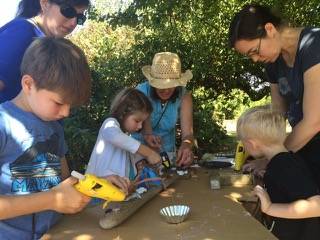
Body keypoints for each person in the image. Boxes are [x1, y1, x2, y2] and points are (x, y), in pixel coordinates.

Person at [0, 37, 92, 239]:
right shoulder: (3, 124)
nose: (66, 112)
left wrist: (95, 185)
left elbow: (64, 182)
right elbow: (57, 196)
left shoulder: (54, 128)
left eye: (71, 105)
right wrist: (52, 199)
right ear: (28, 84)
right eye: (59, 103)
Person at [229, 4, 320, 184]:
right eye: (249, 56)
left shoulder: (314, 45)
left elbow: (314, 122)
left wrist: (272, 158)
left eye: (254, 51)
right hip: (304, 148)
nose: (255, 59)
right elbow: (277, 118)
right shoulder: (273, 63)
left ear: (269, 29)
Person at [237, 105, 320, 240]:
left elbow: (316, 206)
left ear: (252, 144)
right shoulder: (281, 163)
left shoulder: (284, 166)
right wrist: (271, 178)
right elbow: (290, 186)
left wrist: (270, 207)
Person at [0, 0, 90, 103]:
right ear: (45, 3)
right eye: (68, 11)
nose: (73, 23)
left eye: (80, 18)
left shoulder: (46, 43)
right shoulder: (22, 32)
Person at [133, 52, 194, 167]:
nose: (166, 90)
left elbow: (188, 134)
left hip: (167, 153)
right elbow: (144, 130)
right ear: (152, 82)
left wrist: (186, 146)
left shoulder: (184, 96)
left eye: (170, 85)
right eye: (161, 86)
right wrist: (148, 135)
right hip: (139, 155)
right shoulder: (141, 92)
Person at [86, 88, 161, 181]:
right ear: (123, 112)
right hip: (97, 190)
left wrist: (139, 163)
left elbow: (126, 151)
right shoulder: (109, 124)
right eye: (137, 121)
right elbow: (116, 137)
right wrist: (148, 153)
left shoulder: (125, 136)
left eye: (142, 122)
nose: (140, 126)